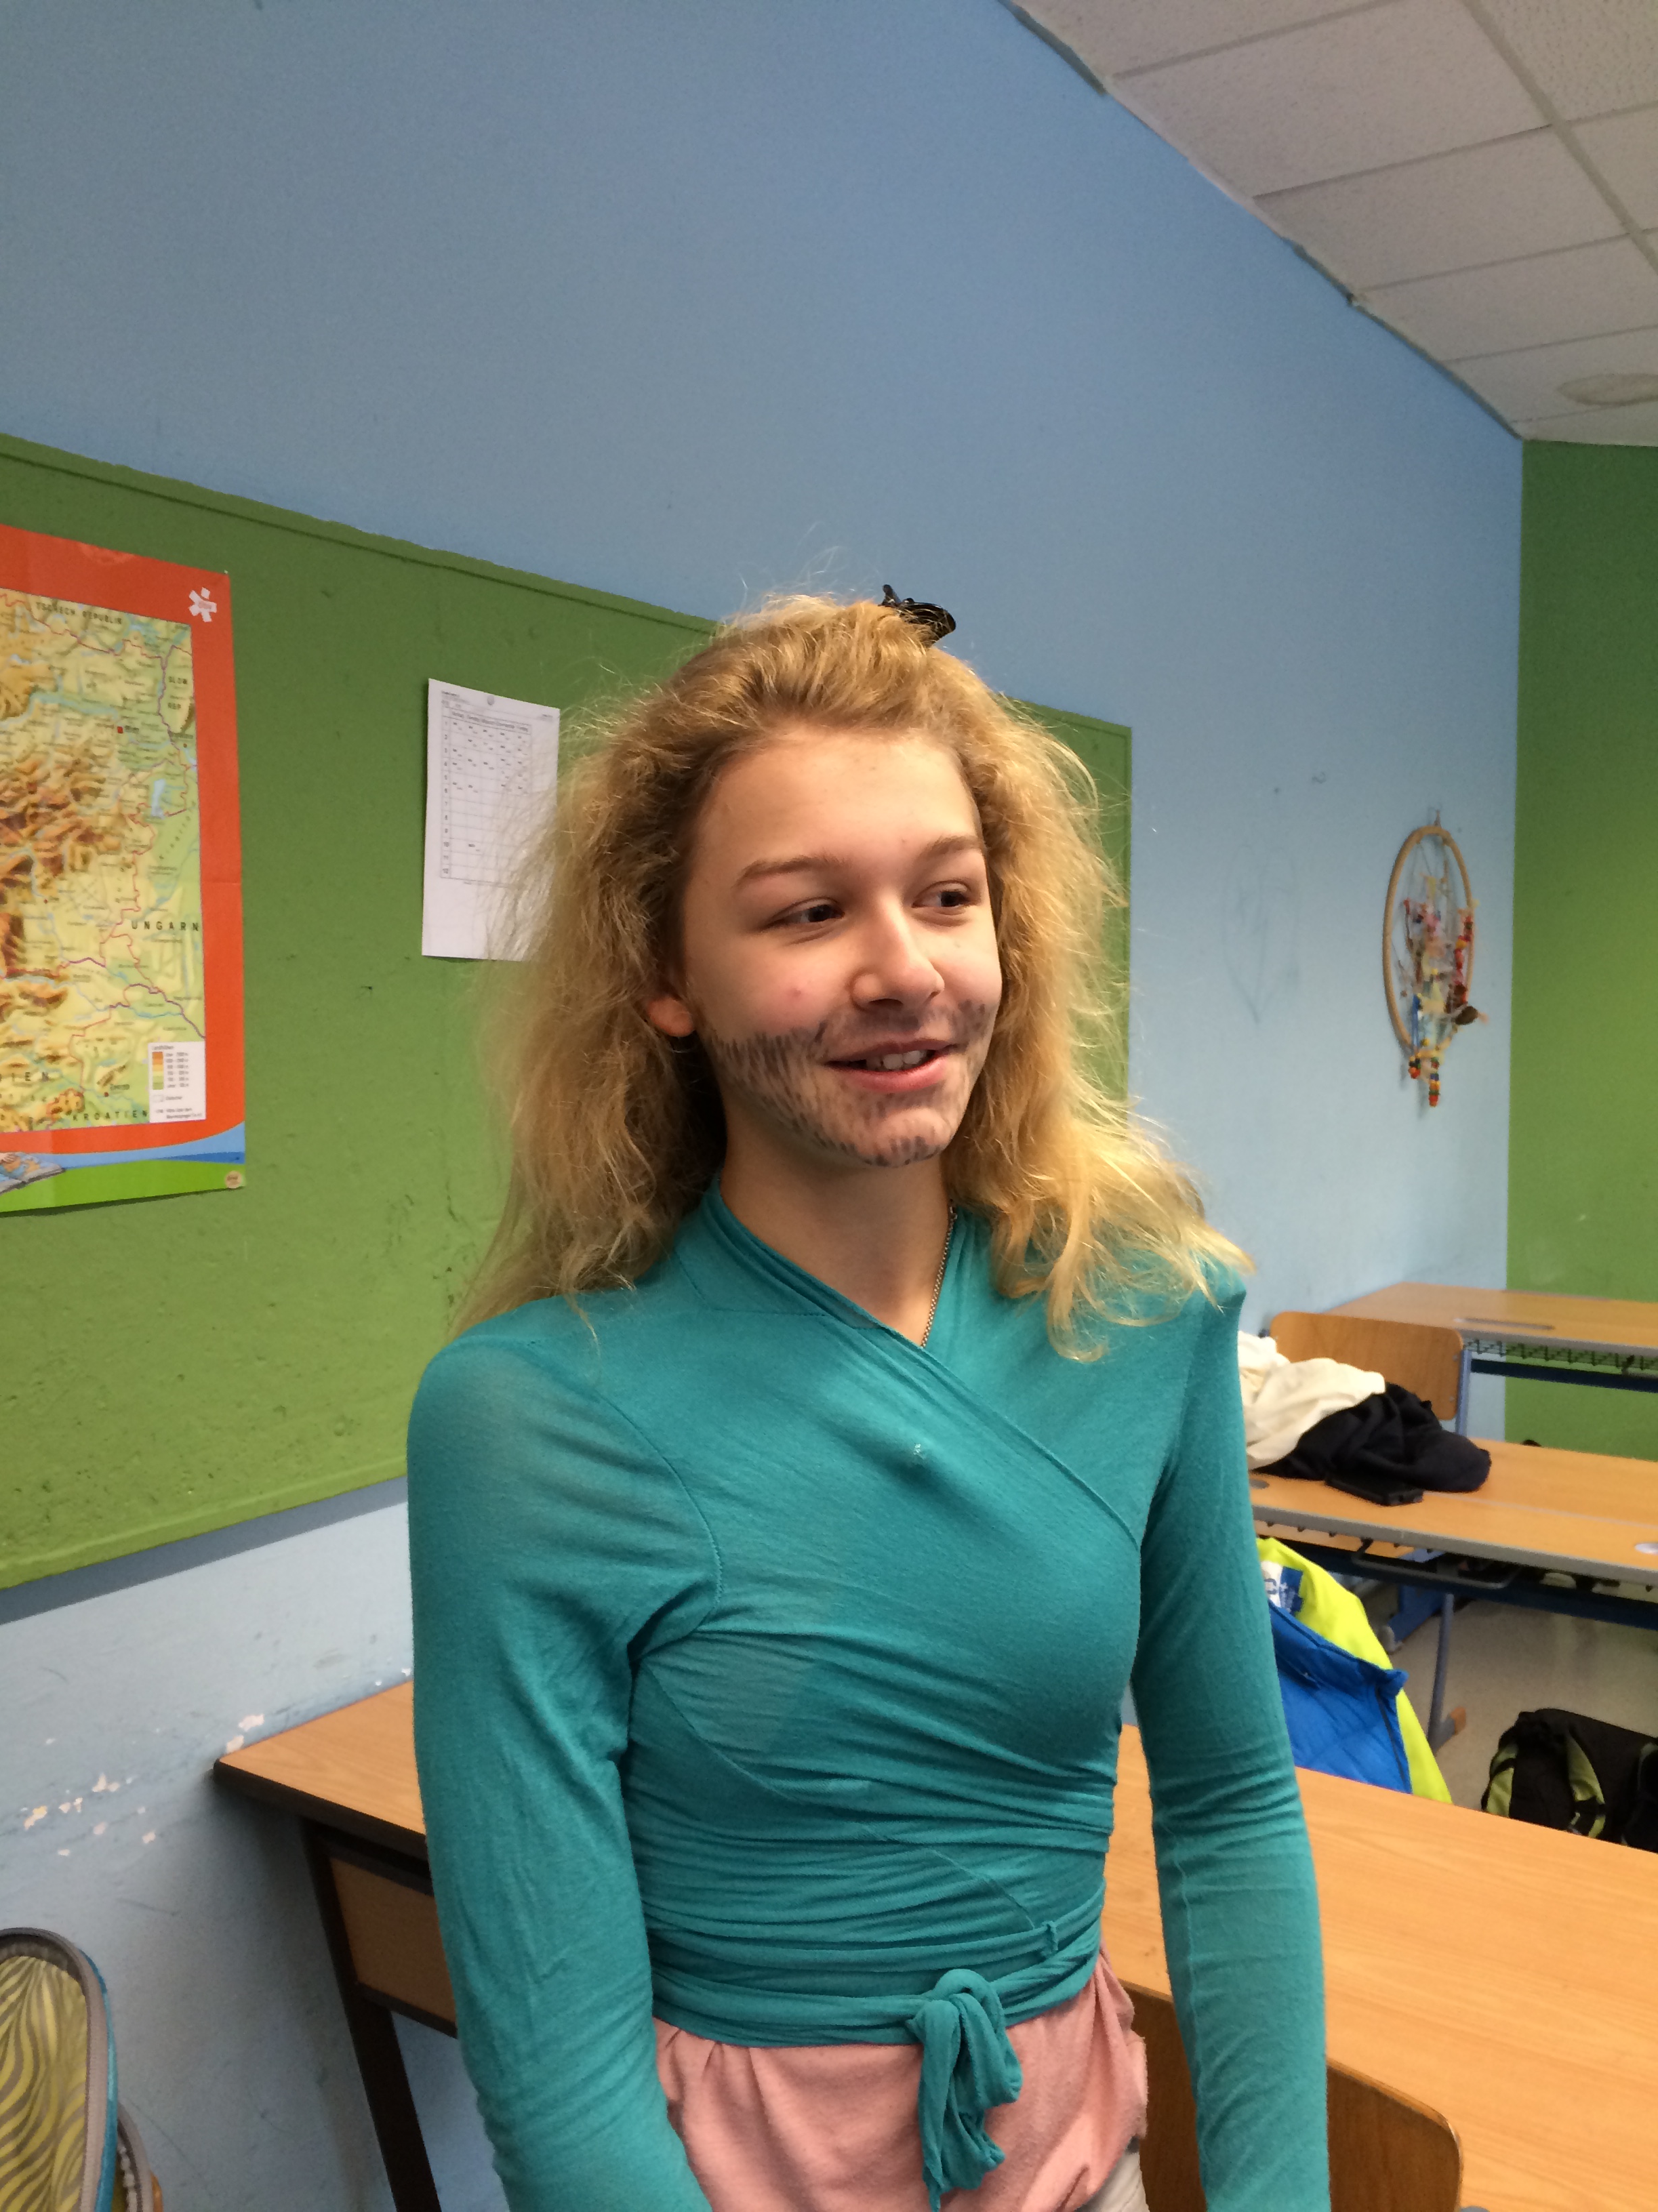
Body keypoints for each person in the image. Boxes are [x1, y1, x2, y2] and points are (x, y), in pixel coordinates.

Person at [407, 592, 1329, 2212]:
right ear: (667, 973)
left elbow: (1234, 1808)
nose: (904, 970)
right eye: (808, 912)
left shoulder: (1143, 1314)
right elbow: (556, 2066)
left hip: (1071, 2163)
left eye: (948, 896)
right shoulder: (528, 1417)